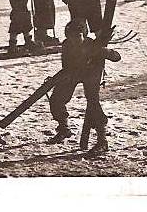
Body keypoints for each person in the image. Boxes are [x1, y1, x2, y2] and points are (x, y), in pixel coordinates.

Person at [46, 20, 121, 153]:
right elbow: (66, 65)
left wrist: (106, 52)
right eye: (72, 36)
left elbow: (117, 57)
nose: (75, 40)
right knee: (56, 98)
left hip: (91, 74)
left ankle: (102, 141)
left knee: (93, 104)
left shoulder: (92, 45)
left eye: (78, 36)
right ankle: (64, 129)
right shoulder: (67, 45)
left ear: (84, 35)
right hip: (74, 72)